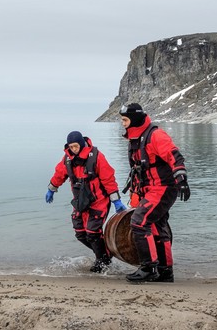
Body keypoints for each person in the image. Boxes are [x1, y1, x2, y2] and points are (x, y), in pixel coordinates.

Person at [119, 103, 190, 283]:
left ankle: (148, 268)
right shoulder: (135, 138)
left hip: (163, 187)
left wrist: (181, 178)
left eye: (125, 120)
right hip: (150, 189)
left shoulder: (155, 136)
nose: (123, 124)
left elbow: (174, 156)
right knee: (158, 227)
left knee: (139, 222)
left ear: (134, 120)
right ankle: (165, 272)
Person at [46, 131, 127, 272]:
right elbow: (59, 174)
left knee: (93, 232)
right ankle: (105, 254)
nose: (74, 149)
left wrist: (116, 201)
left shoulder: (96, 157)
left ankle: (102, 261)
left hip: (98, 201)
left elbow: (108, 179)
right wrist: (52, 189)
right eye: (71, 147)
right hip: (80, 202)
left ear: (82, 144)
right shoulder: (67, 159)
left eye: (76, 146)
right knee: (80, 233)